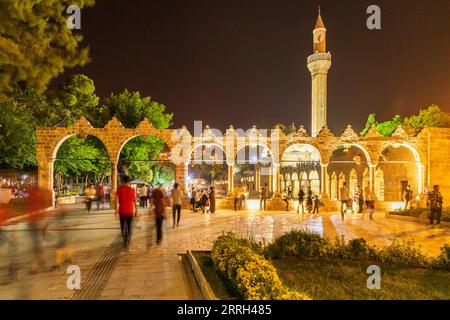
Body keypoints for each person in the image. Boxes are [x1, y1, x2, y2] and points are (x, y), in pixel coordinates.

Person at [116, 176, 137, 248]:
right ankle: (127, 239)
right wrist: (136, 210)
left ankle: (124, 238)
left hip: (121, 210)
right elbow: (135, 201)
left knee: (122, 226)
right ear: (129, 181)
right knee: (129, 225)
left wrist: (116, 209)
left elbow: (116, 200)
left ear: (122, 180)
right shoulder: (132, 189)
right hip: (130, 211)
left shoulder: (119, 189)